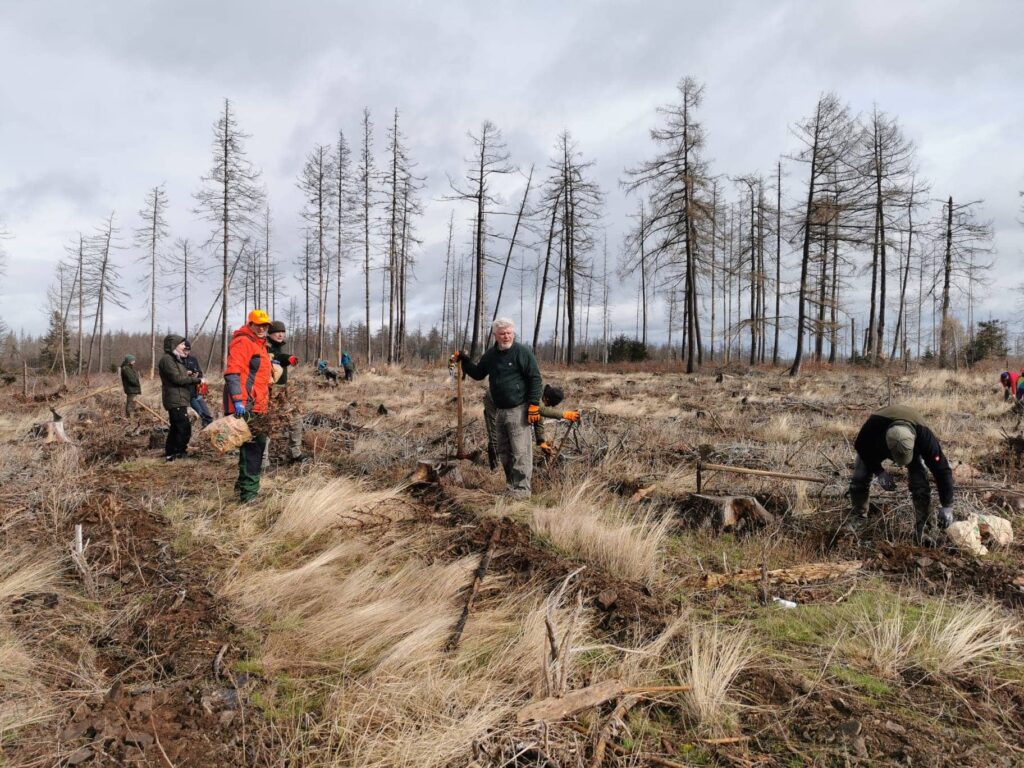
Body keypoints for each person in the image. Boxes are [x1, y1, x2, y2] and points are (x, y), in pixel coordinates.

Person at [456, 317, 542, 496]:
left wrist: (533, 405)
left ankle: (522, 491)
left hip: (519, 409)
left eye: (509, 333)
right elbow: (479, 373)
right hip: (500, 411)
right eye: (502, 333)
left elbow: (535, 378)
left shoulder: (522, 352)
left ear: (513, 333)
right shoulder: (491, 355)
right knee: (504, 451)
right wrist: (465, 361)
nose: (506, 336)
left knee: (520, 451)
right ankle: (512, 487)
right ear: (495, 335)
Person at [849, 404, 955, 544]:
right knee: (859, 478)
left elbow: (942, 471)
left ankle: (924, 529)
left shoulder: (925, 437)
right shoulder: (874, 426)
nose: (900, 464)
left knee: (921, 485)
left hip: (913, 448)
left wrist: (947, 505)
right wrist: (879, 472)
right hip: (878, 445)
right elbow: (861, 446)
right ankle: (859, 518)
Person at [224, 309, 273, 502]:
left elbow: (258, 375)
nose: (261, 328)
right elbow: (233, 372)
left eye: (265, 325)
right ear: (250, 324)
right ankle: (248, 495)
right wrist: (237, 400)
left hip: (258, 403)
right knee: (252, 448)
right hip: (246, 405)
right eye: (258, 325)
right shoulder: (243, 341)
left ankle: (243, 487)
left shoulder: (259, 345)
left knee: (255, 447)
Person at [483, 383, 580, 469]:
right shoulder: (536, 391)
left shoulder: (541, 396)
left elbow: (538, 415)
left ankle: (504, 466)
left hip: (507, 401)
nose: (547, 407)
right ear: (546, 398)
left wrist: (541, 441)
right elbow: (541, 410)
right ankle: (494, 469)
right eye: (548, 404)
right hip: (494, 397)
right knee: (495, 437)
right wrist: (565, 415)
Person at [266, 320, 306, 464]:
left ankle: (295, 454)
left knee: (296, 418)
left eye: (282, 332)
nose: (280, 334)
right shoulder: (266, 347)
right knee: (268, 425)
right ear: (270, 333)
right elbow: (275, 358)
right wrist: (288, 358)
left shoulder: (277, 347)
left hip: (282, 391)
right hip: (269, 392)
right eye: (277, 332)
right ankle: (263, 462)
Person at [158, 334, 195, 461]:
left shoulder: (175, 359)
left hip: (179, 398)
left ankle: (172, 453)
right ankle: (178, 453)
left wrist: (187, 373)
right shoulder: (167, 359)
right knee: (183, 427)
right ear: (174, 345)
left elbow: (178, 375)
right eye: (182, 344)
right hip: (175, 399)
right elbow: (176, 379)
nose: (185, 346)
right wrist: (196, 380)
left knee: (176, 427)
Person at [181, 340, 214, 427]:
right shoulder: (178, 361)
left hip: (196, 388)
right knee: (197, 407)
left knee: (202, 405)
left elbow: (200, 372)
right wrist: (186, 373)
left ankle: (208, 420)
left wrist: (196, 374)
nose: (186, 352)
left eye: (188, 350)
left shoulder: (193, 359)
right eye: (184, 350)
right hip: (186, 390)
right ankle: (204, 420)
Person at [119, 354, 141, 419]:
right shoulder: (126, 368)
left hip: (133, 389)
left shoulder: (129, 368)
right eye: (133, 360)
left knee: (133, 404)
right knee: (130, 405)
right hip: (131, 389)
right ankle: (129, 419)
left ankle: (131, 418)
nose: (134, 361)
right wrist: (137, 383)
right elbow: (131, 379)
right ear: (129, 361)